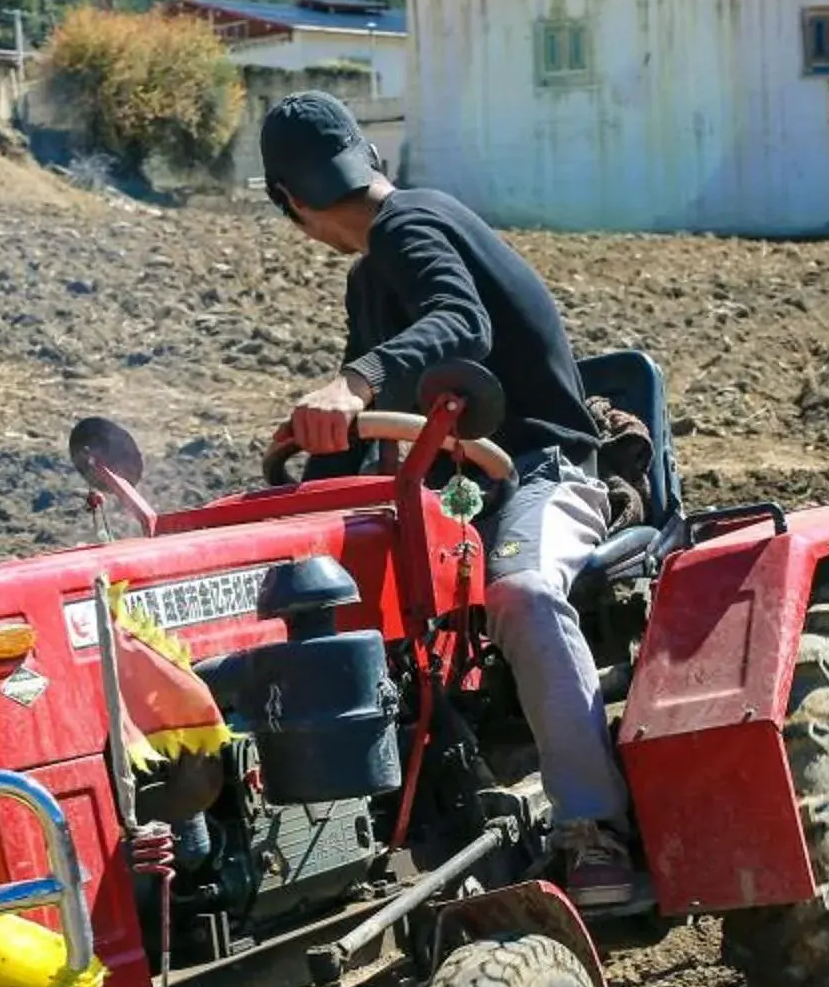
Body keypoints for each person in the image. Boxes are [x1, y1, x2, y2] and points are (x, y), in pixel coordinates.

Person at [257, 92, 640, 909]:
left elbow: (459, 325)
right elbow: (367, 432)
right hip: (451, 499)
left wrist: (353, 381)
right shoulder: (373, 277)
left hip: (541, 471)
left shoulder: (415, 225)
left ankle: (593, 826)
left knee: (523, 593)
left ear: (289, 202)